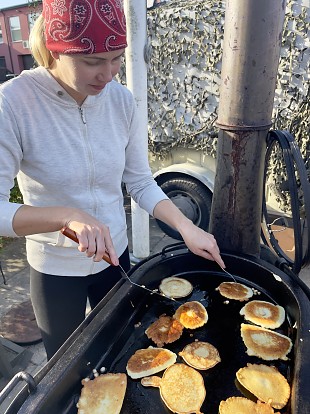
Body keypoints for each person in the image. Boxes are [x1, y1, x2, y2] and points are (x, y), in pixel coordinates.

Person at [0, 0, 225, 359]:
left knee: (121, 351)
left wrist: (186, 227)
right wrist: (65, 216)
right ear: (56, 50)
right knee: (66, 363)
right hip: (54, 268)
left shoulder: (121, 101)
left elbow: (139, 181)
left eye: (116, 57)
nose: (108, 74)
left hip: (115, 257)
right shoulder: (13, 103)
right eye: (92, 61)